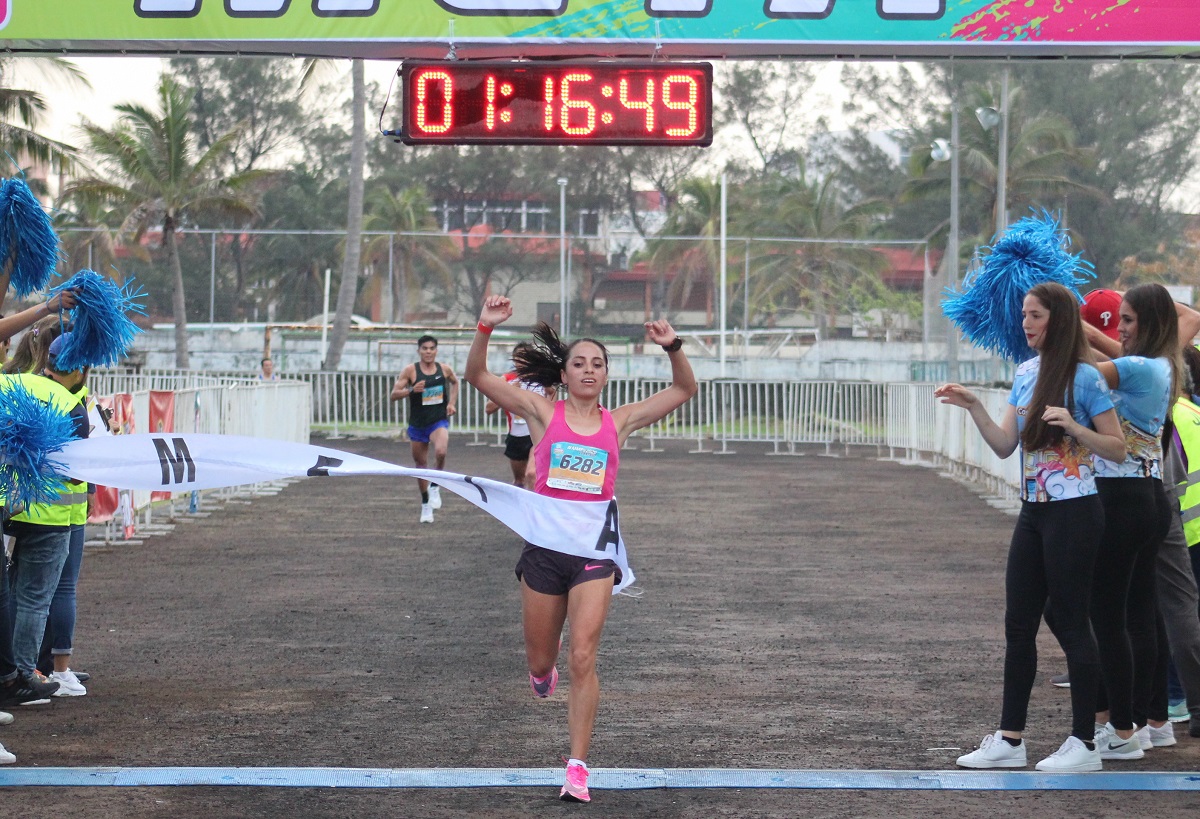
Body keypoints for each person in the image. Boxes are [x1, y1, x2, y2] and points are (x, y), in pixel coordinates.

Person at [465, 295, 697, 803]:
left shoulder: (621, 422)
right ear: (564, 375)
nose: (588, 371)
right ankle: (539, 674)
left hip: (594, 555)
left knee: (584, 656)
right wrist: (485, 326)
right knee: (543, 661)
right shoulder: (542, 414)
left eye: (597, 364)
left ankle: (577, 766)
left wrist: (673, 346)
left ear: (606, 375)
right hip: (545, 552)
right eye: (579, 364)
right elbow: (478, 377)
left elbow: (684, 388)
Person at [936, 282, 1125, 773]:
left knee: (1072, 622)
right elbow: (1003, 445)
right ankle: (1009, 739)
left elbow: (1118, 448)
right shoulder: (1024, 374)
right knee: (1018, 624)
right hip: (1034, 512)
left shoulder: (1085, 378)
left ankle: (1084, 742)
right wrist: (974, 405)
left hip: (1077, 512)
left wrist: (1075, 427)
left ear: (1056, 319)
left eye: (1034, 315)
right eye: (1023, 315)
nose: (1025, 324)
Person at [1076, 284, 1182, 759]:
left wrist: (1060, 325)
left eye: (1130, 320)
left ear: (1153, 324)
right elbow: (1104, 350)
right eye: (1119, 319)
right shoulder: (1162, 365)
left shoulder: (1135, 368)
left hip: (1122, 501)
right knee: (1140, 617)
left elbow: (1075, 379)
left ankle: (1116, 727)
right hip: (1148, 499)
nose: (1119, 329)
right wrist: (1069, 321)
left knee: (1106, 618)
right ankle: (1147, 722)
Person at [4, 332, 93, 703]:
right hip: (50, 515)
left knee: (6, 594)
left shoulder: (10, 383)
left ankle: (9, 672)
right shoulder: (71, 405)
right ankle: (24, 675)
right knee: (34, 599)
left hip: (6, 506)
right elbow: (76, 472)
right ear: (80, 368)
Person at [390, 335, 459, 523]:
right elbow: (393, 395)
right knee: (420, 466)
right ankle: (425, 503)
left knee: (441, 451)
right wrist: (411, 390)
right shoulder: (410, 371)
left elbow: (456, 382)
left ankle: (435, 485)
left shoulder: (444, 369)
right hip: (418, 424)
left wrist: (451, 403)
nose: (428, 352)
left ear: (436, 350)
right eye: (424, 348)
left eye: (431, 348)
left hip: (438, 421)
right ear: (419, 350)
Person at [485, 342, 549, 488]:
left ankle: (534, 508)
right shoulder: (507, 380)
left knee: (532, 475)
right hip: (517, 436)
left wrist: (550, 391)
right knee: (519, 481)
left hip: (538, 436)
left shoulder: (543, 379)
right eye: (518, 357)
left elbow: (553, 402)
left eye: (527, 357)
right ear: (513, 360)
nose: (522, 361)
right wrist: (508, 391)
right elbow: (489, 408)